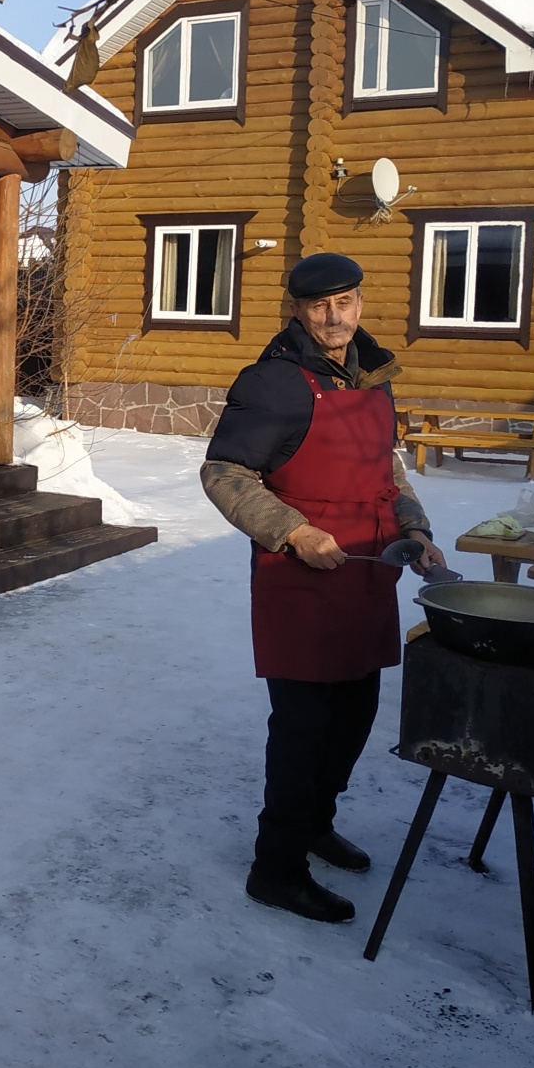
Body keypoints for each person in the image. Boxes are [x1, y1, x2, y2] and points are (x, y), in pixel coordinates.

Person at [200, 252, 445, 924]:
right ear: (298, 309)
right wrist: (292, 531)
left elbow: (385, 474)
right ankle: (275, 867)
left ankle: (314, 822)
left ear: (361, 302)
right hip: (301, 583)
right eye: (318, 306)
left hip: (366, 580)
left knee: (354, 719)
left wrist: (415, 528)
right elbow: (223, 473)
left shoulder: (374, 375)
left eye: (344, 302)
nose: (333, 316)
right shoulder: (273, 383)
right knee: (303, 731)